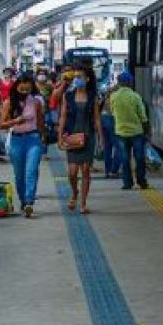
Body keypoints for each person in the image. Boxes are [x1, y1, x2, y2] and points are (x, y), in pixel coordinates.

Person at [0, 73, 46, 218]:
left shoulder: (36, 102)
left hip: (33, 139)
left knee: (31, 171)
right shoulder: (9, 103)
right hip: (16, 140)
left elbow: (40, 121)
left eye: (28, 90)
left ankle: (29, 202)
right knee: (19, 174)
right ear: (16, 88)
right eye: (22, 90)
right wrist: (15, 121)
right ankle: (22, 199)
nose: (25, 93)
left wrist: (43, 136)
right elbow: (1, 124)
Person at [59, 65, 103, 215]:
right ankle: (75, 192)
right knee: (72, 173)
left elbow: (97, 119)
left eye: (80, 77)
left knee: (85, 171)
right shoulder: (68, 96)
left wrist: (101, 139)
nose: (77, 79)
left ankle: (83, 203)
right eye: (75, 77)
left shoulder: (93, 97)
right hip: (72, 137)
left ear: (87, 79)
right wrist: (60, 137)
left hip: (88, 136)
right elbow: (63, 116)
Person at [108, 71, 149, 190]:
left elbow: (112, 112)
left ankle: (127, 183)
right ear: (130, 82)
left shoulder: (113, 96)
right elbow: (143, 116)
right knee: (139, 158)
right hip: (136, 132)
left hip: (121, 132)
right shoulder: (135, 96)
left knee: (125, 159)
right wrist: (146, 131)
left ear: (119, 83)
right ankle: (141, 182)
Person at [100, 81, 121, 179]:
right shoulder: (116, 97)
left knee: (107, 147)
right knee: (118, 146)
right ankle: (114, 169)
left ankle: (107, 170)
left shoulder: (106, 98)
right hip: (112, 120)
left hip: (103, 120)